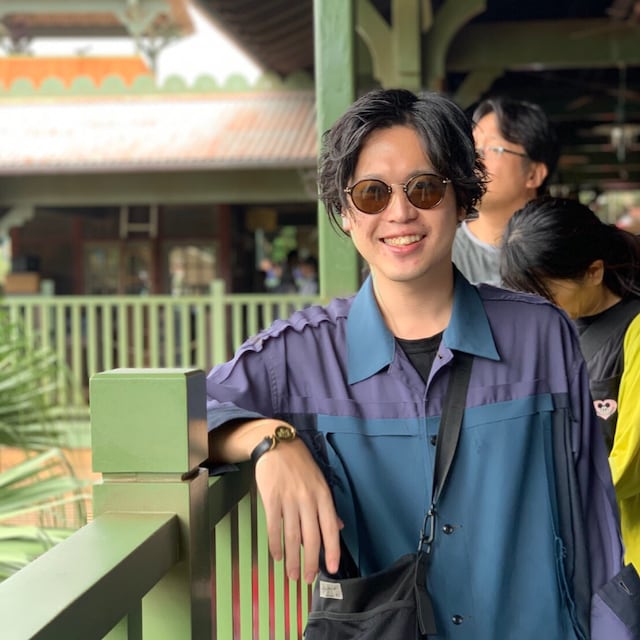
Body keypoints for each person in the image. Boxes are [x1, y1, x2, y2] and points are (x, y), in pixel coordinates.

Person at [206, 88, 637, 639]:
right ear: (345, 213)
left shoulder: (541, 335)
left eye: (425, 188)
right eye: (372, 193)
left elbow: (593, 520)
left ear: (462, 198)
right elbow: (171, 416)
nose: (400, 212)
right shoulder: (302, 355)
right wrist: (270, 440)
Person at [501, 194, 640, 575]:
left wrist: (544, 499)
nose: (534, 307)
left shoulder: (634, 330)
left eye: (546, 295)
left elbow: (629, 463)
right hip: (573, 549)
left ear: (594, 272)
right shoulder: (546, 332)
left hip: (626, 555)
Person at [452, 96, 559, 285]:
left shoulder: (562, 254)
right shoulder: (442, 255)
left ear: (533, 174)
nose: (475, 160)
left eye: (494, 149)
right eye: (473, 148)